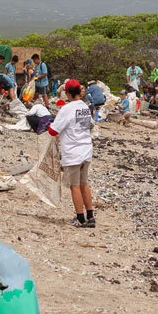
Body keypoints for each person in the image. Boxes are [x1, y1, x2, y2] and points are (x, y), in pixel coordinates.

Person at [48, 79, 94, 228]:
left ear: (67, 93)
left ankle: (80, 219)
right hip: (86, 149)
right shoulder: (85, 107)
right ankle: (90, 216)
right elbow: (91, 125)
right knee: (84, 184)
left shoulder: (67, 109)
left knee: (74, 186)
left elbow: (53, 130)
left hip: (73, 152)